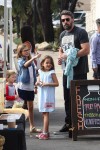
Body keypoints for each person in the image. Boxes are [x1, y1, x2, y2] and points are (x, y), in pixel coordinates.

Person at [58, 10, 90, 132]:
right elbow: (60, 49)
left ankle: (79, 125)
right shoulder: (62, 34)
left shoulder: (80, 32)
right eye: (62, 20)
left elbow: (86, 50)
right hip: (66, 71)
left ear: (72, 19)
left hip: (79, 71)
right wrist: (61, 57)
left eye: (67, 19)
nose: (65, 22)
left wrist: (71, 56)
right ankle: (68, 123)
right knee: (67, 98)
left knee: (79, 98)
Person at [17, 43, 41, 133]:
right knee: (23, 107)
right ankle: (20, 126)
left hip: (30, 86)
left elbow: (37, 70)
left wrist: (35, 86)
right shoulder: (20, 60)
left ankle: (32, 127)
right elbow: (25, 65)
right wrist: (33, 58)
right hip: (23, 86)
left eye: (28, 50)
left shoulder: (31, 59)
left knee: (30, 107)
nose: (27, 52)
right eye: (25, 50)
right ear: (20, 52)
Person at [36, 55, 59, 140]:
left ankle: (45, 133)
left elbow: (57, 83)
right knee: (43, 113)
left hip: (48, 97)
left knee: (46, 114)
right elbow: (37, 82)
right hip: (42, 96)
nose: (49, 64)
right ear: (42, 63)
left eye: (50, 63)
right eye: (47, 62)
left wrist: (47, 84)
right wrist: (37, 83)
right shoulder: (39, 72)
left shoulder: (52, 73)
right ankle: (45, 131)